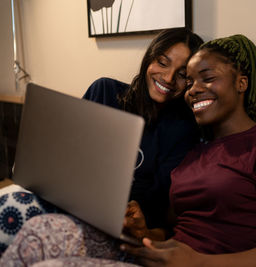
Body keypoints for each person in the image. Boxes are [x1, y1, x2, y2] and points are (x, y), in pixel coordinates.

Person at [0, 34, 256, 267]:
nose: (193, 89)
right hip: (151, 253)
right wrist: (143, 231)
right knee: (38, 233)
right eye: (190, 81)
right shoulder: (195, 153)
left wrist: (197, 262)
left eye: (205, 78)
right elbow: (172, 228)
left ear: (242, 83)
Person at [0, 27, 203, 255]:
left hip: (117, 227)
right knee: (9, 204)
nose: (168, 78)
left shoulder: (183, 129)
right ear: (149, 59)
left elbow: (159, 205)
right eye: (162, 63)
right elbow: (67, 149)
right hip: (68, 200)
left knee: (29, 225)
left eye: (182, 74)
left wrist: (137, 216)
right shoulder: (106, 91)